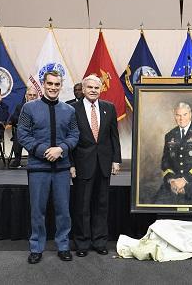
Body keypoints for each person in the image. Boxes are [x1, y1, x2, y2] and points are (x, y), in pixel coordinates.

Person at [17, 71, 79, 264]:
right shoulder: (29, 108)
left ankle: (63, 246)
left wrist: (61, 149)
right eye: (50, 84)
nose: (53, 87)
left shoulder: (69, 110)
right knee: (37, 210)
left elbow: (74, 134)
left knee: (63, 210)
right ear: (43, 85)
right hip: (38, 168)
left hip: (61, 169)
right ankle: (36, 247)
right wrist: (45, 151)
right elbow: (23, 134)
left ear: (61, 86)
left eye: (57, 84)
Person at [70, 75, 121, 257]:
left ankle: (100, 241)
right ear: (83, 90)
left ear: (101, 90)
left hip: (104, 164)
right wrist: (71, 164)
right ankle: (82, 243)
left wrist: (116, 160)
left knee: (101, 205)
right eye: (89, 87)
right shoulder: (72, 109)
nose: (93, 90)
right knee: (82, 206)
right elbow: (68, 139)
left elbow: (114, 136)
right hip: (82, 164)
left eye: (96, 87)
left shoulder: (109, 108)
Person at [154, 102, 192, 205]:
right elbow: (165, 162)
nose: (181, 118)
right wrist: (172, 181)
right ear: (175, 116)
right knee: (154, 204)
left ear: (190, 114)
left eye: (185, 114)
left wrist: (185, 180)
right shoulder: (170, 135)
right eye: (178, 115)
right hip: (174, 185)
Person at [8, 87, 38, 168]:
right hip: (24, 130)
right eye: (30, 95)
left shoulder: (41, 107)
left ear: (37, 96)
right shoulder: (20, 106)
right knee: (18, 135)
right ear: (26, 96)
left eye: (34, 95)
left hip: (36, 131)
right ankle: (17, 160)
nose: (32, 97)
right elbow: (13, 119)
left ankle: (35, 159)